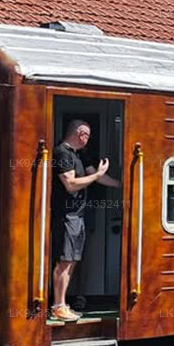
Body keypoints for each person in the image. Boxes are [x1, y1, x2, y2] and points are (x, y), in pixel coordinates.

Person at [51, 120, 119, 322]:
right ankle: (58, 306)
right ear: (80, 134)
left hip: (77, 216)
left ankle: (63, 304)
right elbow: (70, 184)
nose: (88, 140)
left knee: (71, 261)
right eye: (87, 136)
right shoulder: (62, 153)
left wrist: (122, 184)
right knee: (64, 261)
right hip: (67, 214)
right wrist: (98, 173)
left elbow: (96, 177)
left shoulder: (78, 155)